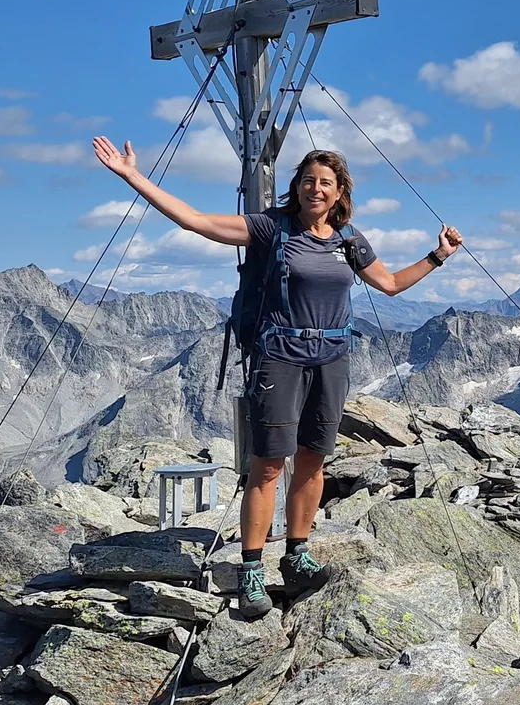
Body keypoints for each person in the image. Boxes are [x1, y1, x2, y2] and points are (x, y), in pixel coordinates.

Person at [93, 136, 461, 618]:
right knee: (268, 465)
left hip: (332, 358)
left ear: (339, 191)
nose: (316, 189)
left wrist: (438, 257)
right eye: (308, 180)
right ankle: (250, 571)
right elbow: (198, 222)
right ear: (297, 186)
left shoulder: (350, 240)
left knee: (313, 460)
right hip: (280, 356)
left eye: (325, 182)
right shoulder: (272, 228)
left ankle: (297, 555)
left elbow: (390, 285)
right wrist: (132, 176)